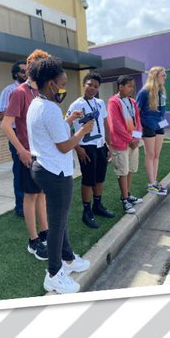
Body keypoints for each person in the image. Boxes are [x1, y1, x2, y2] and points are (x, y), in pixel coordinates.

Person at [26, 56, 93, 294]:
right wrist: (83, 130)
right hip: (55, 171)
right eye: (62, 83)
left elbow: (51, 133)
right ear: (52, 84)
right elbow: (64, 146)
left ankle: (68, 258)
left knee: (60, 219)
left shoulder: (37, 103)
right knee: (57, 225)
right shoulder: (50, 108)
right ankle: (54, 274)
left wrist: (68, 120)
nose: (64, 87)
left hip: (44, 167)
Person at [1, 48, 51, 262]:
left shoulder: (40, 93)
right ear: (31, 68)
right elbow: (5, 124)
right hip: (28, 154)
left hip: (42, 153)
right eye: (43, 67)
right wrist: (21, 150)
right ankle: (33, 240)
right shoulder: (19, 92)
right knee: (30, 196)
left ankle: (45, 232)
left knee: (41, 194)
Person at [66, 72, 115, 228]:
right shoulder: (75, 105)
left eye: (95, 86)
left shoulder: (100, 103)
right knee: (88, 180)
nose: (92, 88)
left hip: (101, 145)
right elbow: (67, 128)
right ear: (83, 84)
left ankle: (98, 205)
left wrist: (109, 145)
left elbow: (106, 124)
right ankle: (86, 212)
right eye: (89, 85)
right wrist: (77, 148)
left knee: (100, 178)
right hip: (86, 147)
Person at [108, 76, 144, 214]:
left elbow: (138, 121)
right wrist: (130, 139)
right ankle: (124, 199)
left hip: (133, 142)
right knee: (122, 171)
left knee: (131, 169)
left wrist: (137, 137)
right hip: (121, 143)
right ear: (120, 87)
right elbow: (115, 125)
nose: (131, 89)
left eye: (132, 86)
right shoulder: (113, 102)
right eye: (129, 86)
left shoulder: (132, 102)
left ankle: (128, 195)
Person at [0, 60, 28, 216]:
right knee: (20, 170)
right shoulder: (9, 91)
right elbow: (1, 115)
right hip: (16, 134)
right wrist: (18, 112)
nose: (26, 73)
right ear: (16, 73)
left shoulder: (30, 90)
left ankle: (32, 202)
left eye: (27, 70)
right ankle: (20, 206)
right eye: (23, 71)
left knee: (32, 169)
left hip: (30, 134)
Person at [136, 67, 170, 193]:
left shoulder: (161, 92)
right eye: (163, 75)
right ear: (155, 76)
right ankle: (151, 185)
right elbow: (137, 112)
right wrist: (137, 131)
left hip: (159, 126)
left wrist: (162, 122)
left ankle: (154, 182)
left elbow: (162, 111)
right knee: (150, 155)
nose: (165, 78)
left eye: (165, 75)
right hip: (148, 126)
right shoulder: (144, 92)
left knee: (156, 155)